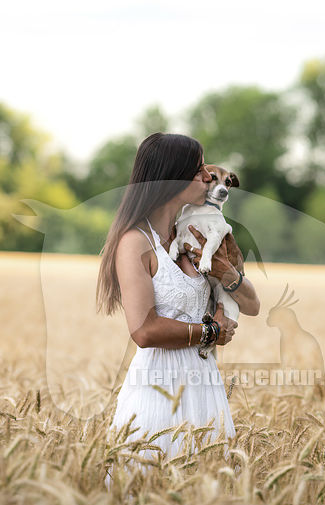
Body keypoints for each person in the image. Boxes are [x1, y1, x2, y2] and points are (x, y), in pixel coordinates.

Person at [96, 132, 260, 481]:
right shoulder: (135, 242)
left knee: (209, 504)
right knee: (149, 497)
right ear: (172, 176)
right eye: (198, 168)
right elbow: (144, 330)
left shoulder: (201, 232)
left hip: (205, 386)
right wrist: (212, 331)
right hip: (157, 389)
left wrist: (226, 274)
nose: (207, 177)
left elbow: (253, 304)